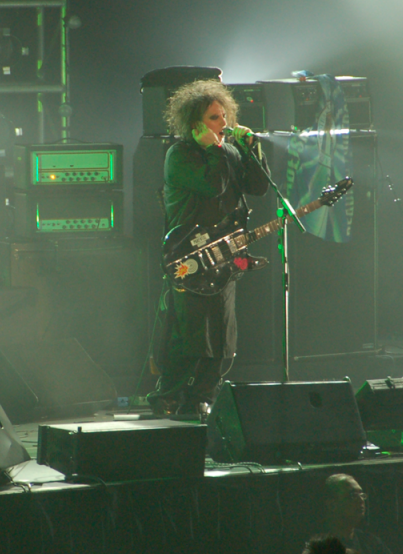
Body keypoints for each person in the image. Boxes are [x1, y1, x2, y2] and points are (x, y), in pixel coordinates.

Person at [147, 79, 270, 418]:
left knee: (222, 336)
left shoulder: (228, 150)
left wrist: (252, 149)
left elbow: (259, 187)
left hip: (225, 256)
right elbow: (212, 186)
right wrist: (215, 150)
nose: (224, 124)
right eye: (215, 118)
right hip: (189, 255)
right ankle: (169, 397)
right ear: (195, 124)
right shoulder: (180, 155)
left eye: (224, 115)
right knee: (191, 335)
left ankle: (203, 397)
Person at [321, 474, 391, 554]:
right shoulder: (316, 546)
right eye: (353, 495)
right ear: (331, 505)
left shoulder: (372, 543)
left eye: (361, 495)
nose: (361, 500)